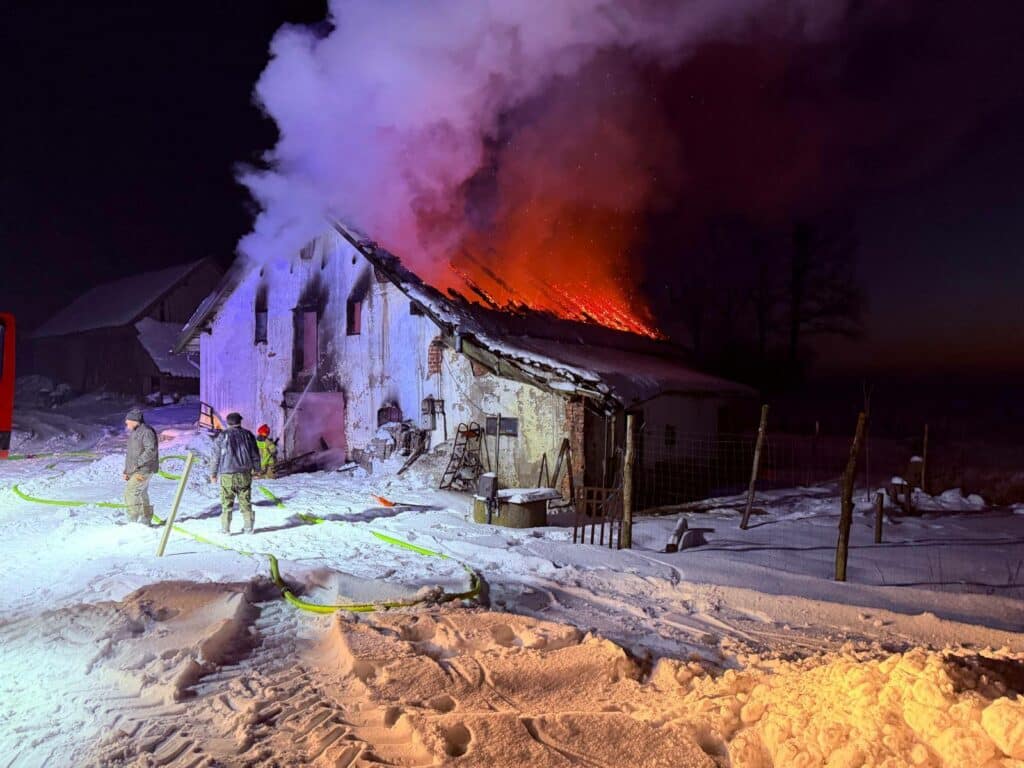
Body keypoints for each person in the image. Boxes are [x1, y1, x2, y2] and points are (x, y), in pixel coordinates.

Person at [210, 412, 261, 534]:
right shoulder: (248, 435)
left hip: (227, 474)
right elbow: (255, 454)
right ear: (240, 421)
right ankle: (248, 527)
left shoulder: (222, 436)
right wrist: (257, 469)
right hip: (244, 474)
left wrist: (213, 473)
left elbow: (215, 456)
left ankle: (225, 529)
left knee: (226, 502)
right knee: (245, 500)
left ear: (228, 422)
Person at [123, 407, 158, 526]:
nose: (126, 424)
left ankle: (134, 519)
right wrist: (127, 471)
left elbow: (151, 450)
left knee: (131, 492)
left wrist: (138, 463)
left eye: (128, 421)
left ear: (134, 421)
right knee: (141, 493)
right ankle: (145, 519)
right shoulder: (135, 433)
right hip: (136, 470)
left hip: (144, 470)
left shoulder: (146, 432)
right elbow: (131, 454)